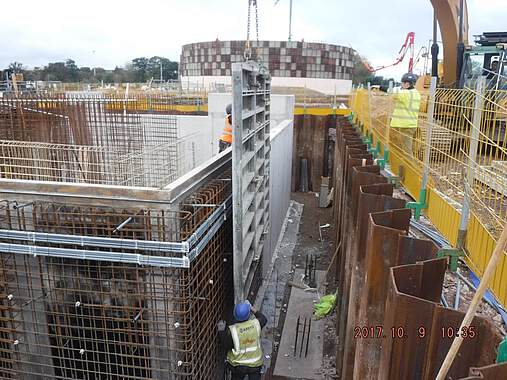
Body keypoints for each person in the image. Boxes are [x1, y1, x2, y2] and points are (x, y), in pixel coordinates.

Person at [218, 301, 267, 380]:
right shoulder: (256, 324)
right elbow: (264, 319)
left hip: (239, 366)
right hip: (255, 364)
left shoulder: (233, 330)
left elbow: (226, 345)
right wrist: (252, 308)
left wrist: (221, 331)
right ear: (248, 315)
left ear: (234, 315)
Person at [389, 72, 421, 156]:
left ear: (407, 84)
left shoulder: (406, 93)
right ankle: (406, 165)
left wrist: (379, 87)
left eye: (402, 83)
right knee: (406, 148)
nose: (401, 85)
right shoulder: (416, 93)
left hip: (406, 125)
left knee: (407, 150)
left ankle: (409, 167)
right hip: (410, 124)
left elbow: (391, 91)